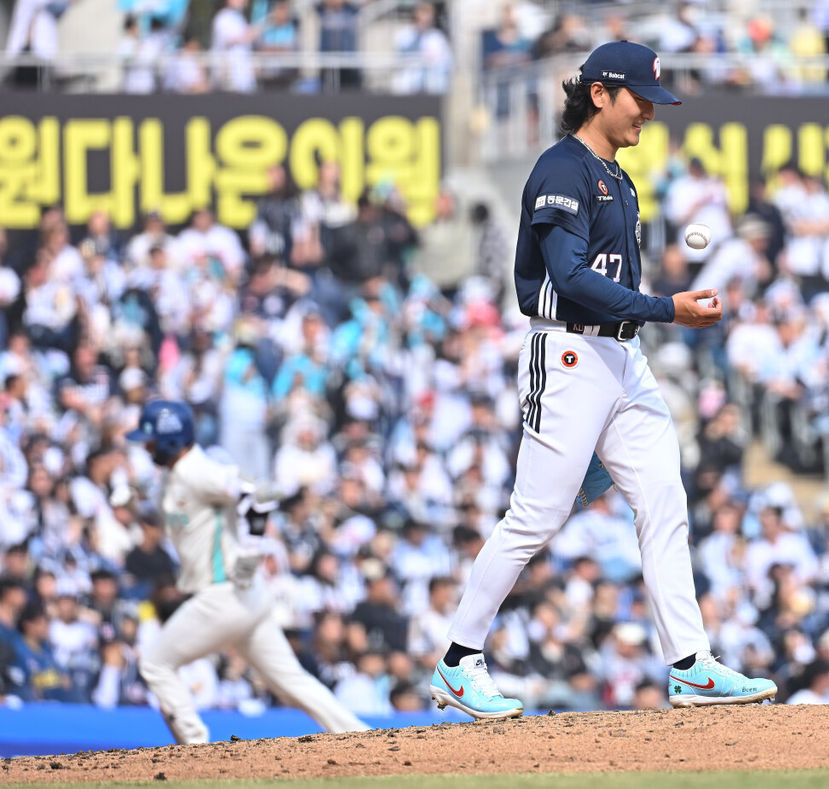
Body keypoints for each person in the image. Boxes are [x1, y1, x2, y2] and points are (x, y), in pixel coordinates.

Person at [428, 41, 777, 720]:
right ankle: (456, 662)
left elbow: (617, 283)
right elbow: (571, 279)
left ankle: (689, 664)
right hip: (568, 356)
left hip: (622, 360)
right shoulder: (562, 167)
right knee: (534, 516)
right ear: (599, 95)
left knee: (663, 497)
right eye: (638, 97)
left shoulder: (619, 177)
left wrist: (661, 307)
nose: (649, 110)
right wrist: (667, 310)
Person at [126, 400, 367, 743]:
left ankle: (194, 748)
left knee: (155, 664)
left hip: (223, 593)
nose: (145, 447)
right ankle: (362, 736)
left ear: (169, 440)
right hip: (242, 597)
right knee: (292, 682)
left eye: (150, 440)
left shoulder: (197, 470)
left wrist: (251, 553)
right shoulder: (176, 475)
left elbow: (257, 495)